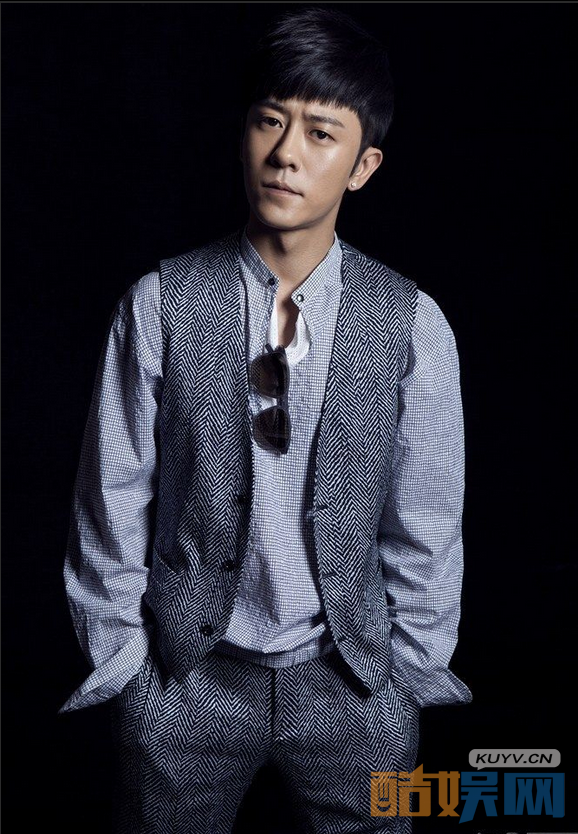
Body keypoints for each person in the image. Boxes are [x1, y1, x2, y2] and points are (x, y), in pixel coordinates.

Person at [58, 7, 472, 833]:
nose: (286, 152)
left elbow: (427, 520)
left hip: (354, 686)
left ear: (363, 165)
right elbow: (111, 499)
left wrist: (406, 678)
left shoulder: (411, 322)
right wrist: (127, 669)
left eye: (321, 133)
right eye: (268, 121)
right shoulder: (160, 305)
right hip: (186, 681)